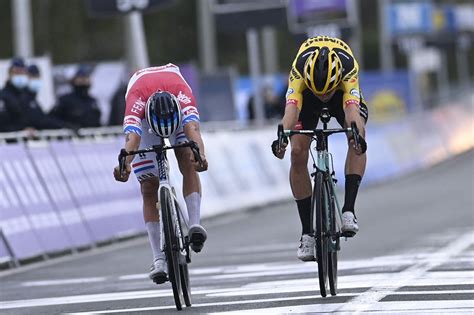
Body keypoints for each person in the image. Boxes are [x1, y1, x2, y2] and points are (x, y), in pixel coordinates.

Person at [271, 36, 368, 262]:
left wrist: (357, 134)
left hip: (341, 95)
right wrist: (281, 139)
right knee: (297, 152)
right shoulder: (298, 71)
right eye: (319, 92)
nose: (323, 97)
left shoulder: (348, 68)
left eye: (325, 92)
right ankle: (307, 233)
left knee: (356, 137)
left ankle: (348, 211)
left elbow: (352, 111)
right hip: (307, 98)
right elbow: (290, 112)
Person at [113, 64, 209, 283]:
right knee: (148, 188)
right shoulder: (135, 102)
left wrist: (200, 156)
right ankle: (158, 258)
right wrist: (124, 164)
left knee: (189, 158)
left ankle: (195, 223)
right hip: (146, 122)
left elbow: (193, 131)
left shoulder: (183, 96)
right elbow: (132, 140)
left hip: (174, 114)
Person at [49, 64, 101, 129]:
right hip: (70, 138)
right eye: (81, 77)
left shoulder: (92, 101)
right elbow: (51, 119)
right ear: (74, 80)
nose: (84, 80)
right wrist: (65, 125)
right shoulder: (65, 100)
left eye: (86, 77)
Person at [24, 64, 64, 130]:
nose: (35, 79)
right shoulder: (23, 98)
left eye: (37, 76)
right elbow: (39, 121)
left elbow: (42, 118)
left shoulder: (34, 101)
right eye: (32, 76)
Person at [0, 57, 30, 132]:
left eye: (22, 73)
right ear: (9, 74)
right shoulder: (3, 96)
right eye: (17, 73)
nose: (20, 76)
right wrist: (22, 130)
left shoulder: (26, 95)